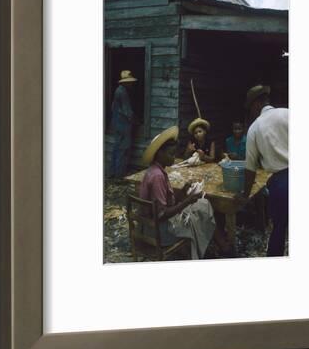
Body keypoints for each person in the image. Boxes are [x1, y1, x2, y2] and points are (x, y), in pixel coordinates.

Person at [140, 126, 231, 259]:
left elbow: (165, 201)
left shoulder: (156, 170)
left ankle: (220, 245)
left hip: (157, 223)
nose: (173, 157)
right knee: (202, 211)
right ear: (159, 154)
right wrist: (187, 201)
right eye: (171, 154)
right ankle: (220, 247)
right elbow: (162, 214)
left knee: (203, 204)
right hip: (160, 230)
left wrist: (183, 192)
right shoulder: (157, 176)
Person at [242, 85, 289, 256]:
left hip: (281, 183)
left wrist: (245, 195)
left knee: (278, 230)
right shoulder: (287, 113)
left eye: (251, 109)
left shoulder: (255, 127)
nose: (251, 113)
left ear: (256, 104)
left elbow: (249, 168)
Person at [109, 70, 137, 178]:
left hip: (117, 124)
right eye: (130, 82)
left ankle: (112, 172)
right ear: (125, 82)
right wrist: (135, 120)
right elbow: (127, 111)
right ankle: (119, 175)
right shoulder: (123, 92)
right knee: (123, 149)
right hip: (123, 125)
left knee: (117, 148)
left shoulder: (118, 91)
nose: (131, 84)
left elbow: (113, 108)